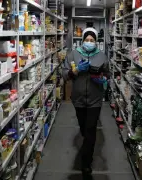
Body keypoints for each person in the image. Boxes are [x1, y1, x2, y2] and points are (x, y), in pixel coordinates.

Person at [63, 27, 109, 177]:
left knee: (90, 131)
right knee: (84, 128)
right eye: (87, 40)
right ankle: (87, 143)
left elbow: (107, 73)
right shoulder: (73, 54)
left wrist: (104, 80)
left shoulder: (102, 56)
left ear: (96, 41)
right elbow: (64, 75)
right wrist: (75, 71)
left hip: (95, 99)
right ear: (82, 41)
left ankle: (86, 163)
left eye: (92, 40)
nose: (89, 42)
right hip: (79, 99)